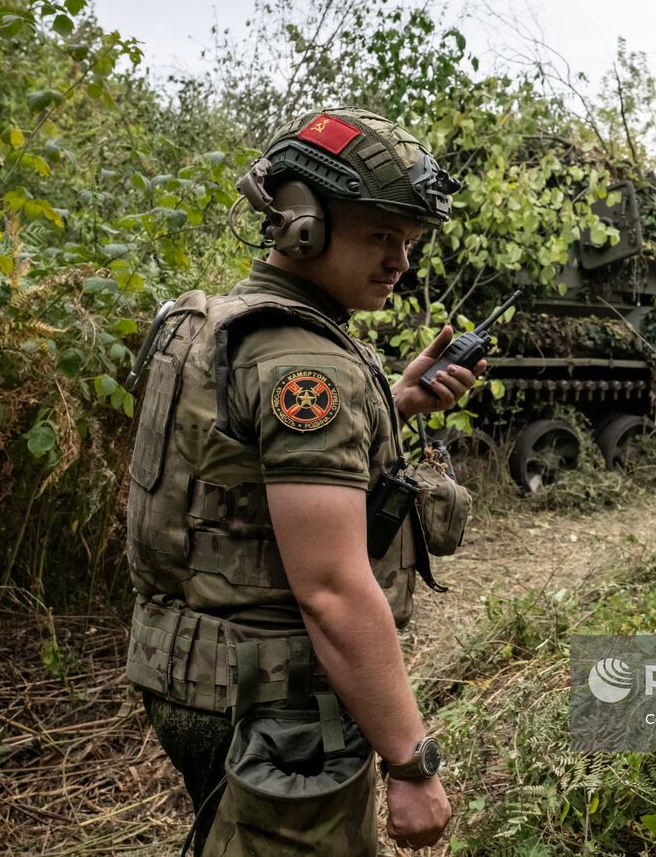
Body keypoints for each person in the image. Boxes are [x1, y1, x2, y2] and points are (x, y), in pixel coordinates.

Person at [123, 107, 481, 855]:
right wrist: (412, 763)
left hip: (188, 673)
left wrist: (396, 399)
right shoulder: (304, 364)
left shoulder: (212, 319)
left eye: (409, 241)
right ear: (302, 221)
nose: (400, 262)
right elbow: (333, 589)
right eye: (381, 234)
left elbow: (232, 475)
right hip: (272, 702)